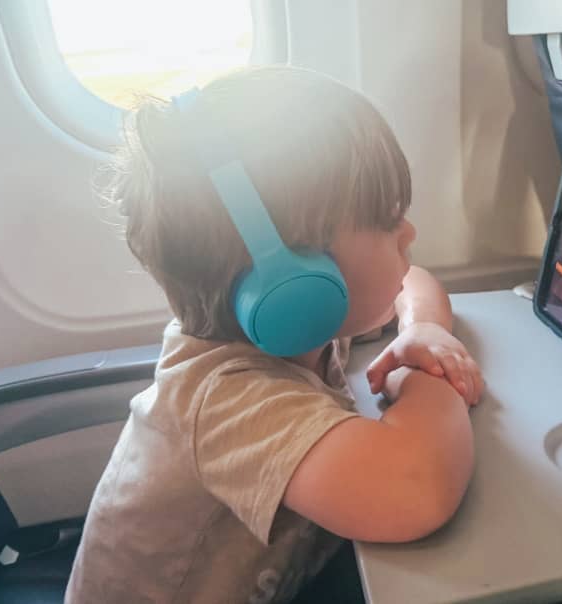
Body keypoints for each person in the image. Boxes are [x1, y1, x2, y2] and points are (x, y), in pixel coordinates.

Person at [64, 66, 483, 604]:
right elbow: (417, 489)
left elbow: (415, 284)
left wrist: (423, 328)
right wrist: (425, 371)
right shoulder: (226, 400)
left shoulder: (296, 326)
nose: (410, 233)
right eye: (387, 219)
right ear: (291, 280)